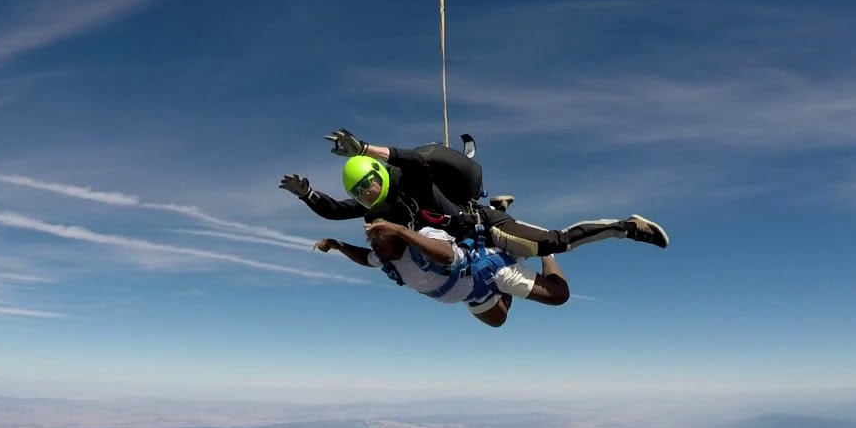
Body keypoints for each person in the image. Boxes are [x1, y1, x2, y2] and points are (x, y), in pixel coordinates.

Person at [282, 128, 670, 258]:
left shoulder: (407, 179)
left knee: (554, 244)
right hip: (464, 247)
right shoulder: (383, 206)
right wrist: (307, 193)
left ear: (380, 173)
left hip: (484, 229)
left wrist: (366, 149)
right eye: (360, 192)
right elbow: (334, 211)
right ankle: (500, 202)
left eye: (369, 182)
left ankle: (628, 227)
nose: (368, 194)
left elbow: (415, 163)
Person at [314, 218, 570, 327]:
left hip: (489, 271)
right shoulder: (386, 259)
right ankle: (511, 270)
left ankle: (545, 252)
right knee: (499, 320)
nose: (372, 244)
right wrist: (338, 245)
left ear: (396, 233)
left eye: (376, 237)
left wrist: (403, 232)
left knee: (558, 296)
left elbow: (447, 255)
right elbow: (363, 259)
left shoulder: (424, 238)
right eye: (370, 240)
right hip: (472, 294)